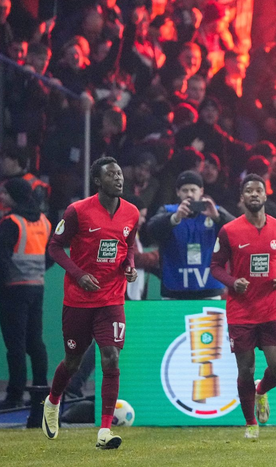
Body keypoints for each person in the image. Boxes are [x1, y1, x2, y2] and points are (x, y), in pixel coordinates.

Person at [42, 157, 139, 449]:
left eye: (120, 173)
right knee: (72, 362)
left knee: (110, 357)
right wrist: (78, 274)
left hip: (111, 297)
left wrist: (129, 265)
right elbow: (55, 246)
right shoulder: (77, 211)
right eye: (111, 175)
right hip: (79, 299)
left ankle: (105, 431)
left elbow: (128, 245)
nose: (119, 179)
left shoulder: (132, 212)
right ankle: (53, 400)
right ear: (98, 181)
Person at [209, 174, 276, 440]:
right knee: (245, 369)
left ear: (266, 196)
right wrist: (233, 283)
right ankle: (250, 423)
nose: (254, 194)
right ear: (242, 198)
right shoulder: (229, 231)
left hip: (271, 310)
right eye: (249, 191)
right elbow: (215, 266)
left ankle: (261, 390)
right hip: (241, 312)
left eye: (259, 190)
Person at [0, 178, 51, 409]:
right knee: (35, 341)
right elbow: (51, 255)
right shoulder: (44, 221)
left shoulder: (11, 222)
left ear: (15, 196)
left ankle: (15, 394)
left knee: (15, 344)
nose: (1, 196)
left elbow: (1, 259)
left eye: (4, 192)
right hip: (36, 287)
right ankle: (41, 390)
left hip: (13, 289)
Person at [145, 170, 234, 299]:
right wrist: (175, 218)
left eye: (193, 190)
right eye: (185, 190)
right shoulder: (168, 211)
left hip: (209, 290)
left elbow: (237, 232)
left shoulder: (215, 211)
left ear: (201, 191)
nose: (189, 194)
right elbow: (151, 230)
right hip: (174, 291)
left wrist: (218, 217)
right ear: (178, 192)